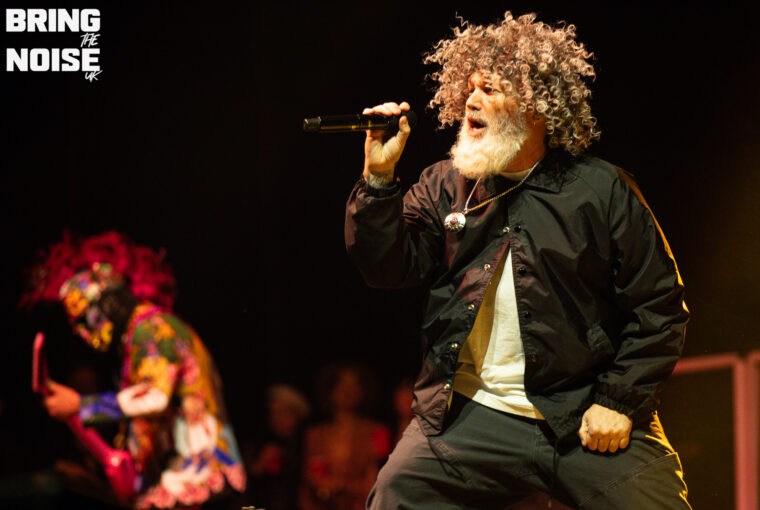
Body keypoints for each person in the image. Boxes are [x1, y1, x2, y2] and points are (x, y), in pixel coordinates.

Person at [344, 12, 691, 510]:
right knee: (397, 494)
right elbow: (386, 267)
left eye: (490, 89)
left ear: (537, 107)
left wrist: (618, 401)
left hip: (580, 410)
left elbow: (659, 307)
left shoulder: (600, 190)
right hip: (471, 415)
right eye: (469, 88)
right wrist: (378, 181)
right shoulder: (444, 186)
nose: (471, 100)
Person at [23, 232, 246, 509]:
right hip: (179, 481)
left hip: (200, 478)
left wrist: (81, 405)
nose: (82, 333)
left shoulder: (153, 328)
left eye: (85, 320)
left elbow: (155, 396)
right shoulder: (135, 339)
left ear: (111, 304)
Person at [300, 363, 391, 510]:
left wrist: (345, 486)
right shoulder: (316, 434)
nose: (348, 391)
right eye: (342, 384)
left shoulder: (377, 432)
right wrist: (326, 486)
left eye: (355, 385)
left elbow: (377, 478)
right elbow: (314, 476)